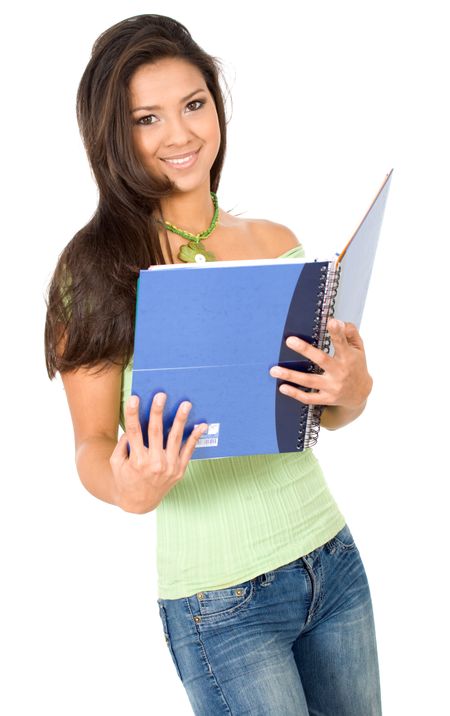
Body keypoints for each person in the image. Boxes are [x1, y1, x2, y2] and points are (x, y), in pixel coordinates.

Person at [44, 13, 382, 716]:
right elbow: (91, 445)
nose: (181, 135)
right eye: (147, 118)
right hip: (221, 606)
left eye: (194, 104)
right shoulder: (95, 273)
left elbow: (322, 407)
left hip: (331, 558)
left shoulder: (276, 242)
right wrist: (129, 487)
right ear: (113, 135)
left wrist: (355, 388)